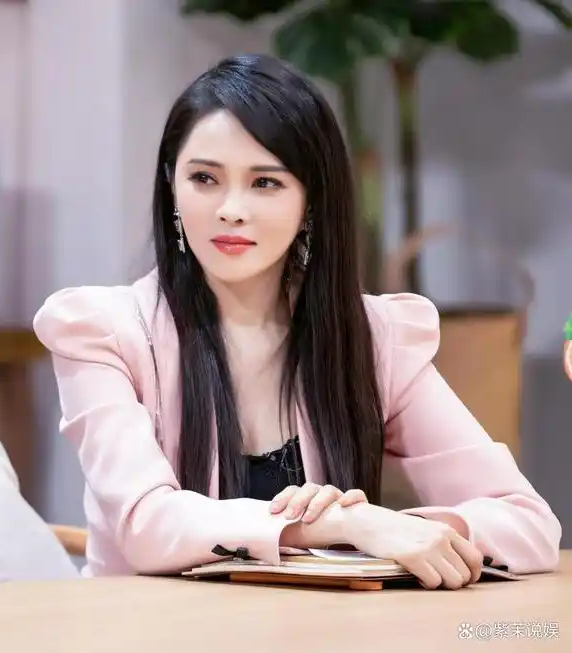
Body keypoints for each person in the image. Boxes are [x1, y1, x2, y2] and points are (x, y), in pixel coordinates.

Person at [33, 53, 561, 590]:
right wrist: (340, 525)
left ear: (311, 199)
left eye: (265, 183)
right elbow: (145, 526)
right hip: (146, 627)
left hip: (319, 629)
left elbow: (526, 522)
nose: (231, 209)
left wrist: (412, 531)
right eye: (204, 178)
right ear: (172, 185)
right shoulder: (101, 332)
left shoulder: (373, 338)